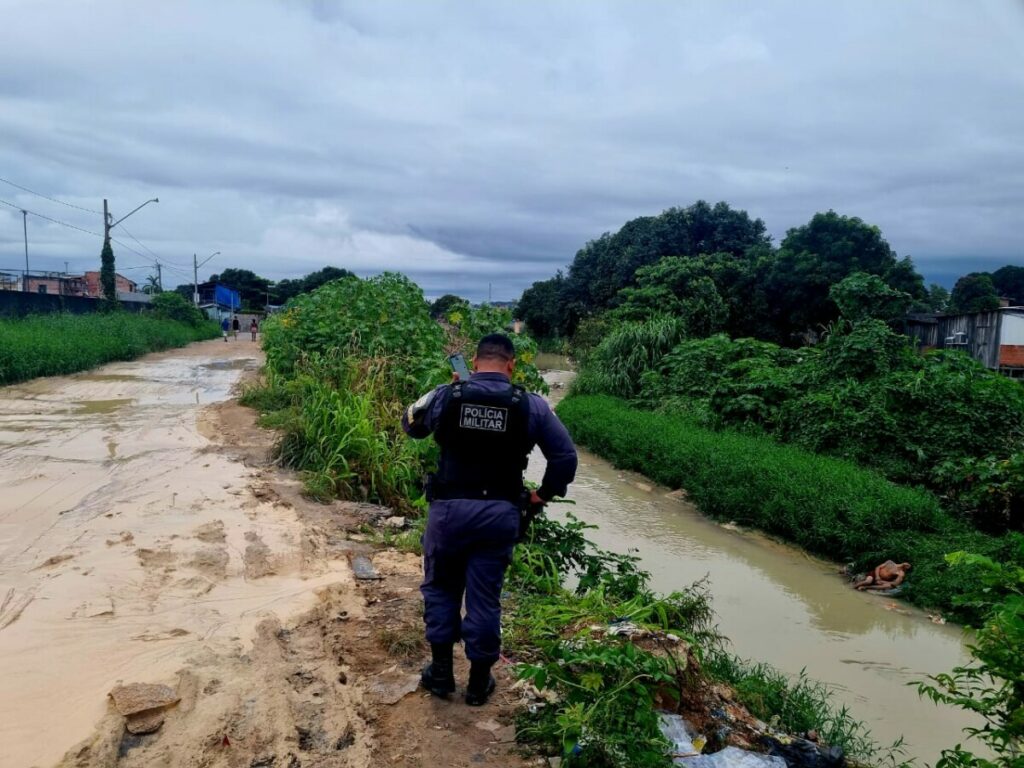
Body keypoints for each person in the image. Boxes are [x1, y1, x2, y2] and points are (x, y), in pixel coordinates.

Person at [402, 333, 577, 706]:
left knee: (441, 589)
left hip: (448, 513)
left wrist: (449, 394)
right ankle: (479, 684)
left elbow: (411, 424)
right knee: (484, 599)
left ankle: (441, 674)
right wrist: (540, 496)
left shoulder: (446, 394)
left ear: (475, 363)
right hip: (499, 515)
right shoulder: (532, 406)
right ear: (511, 365)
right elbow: (565, 458)